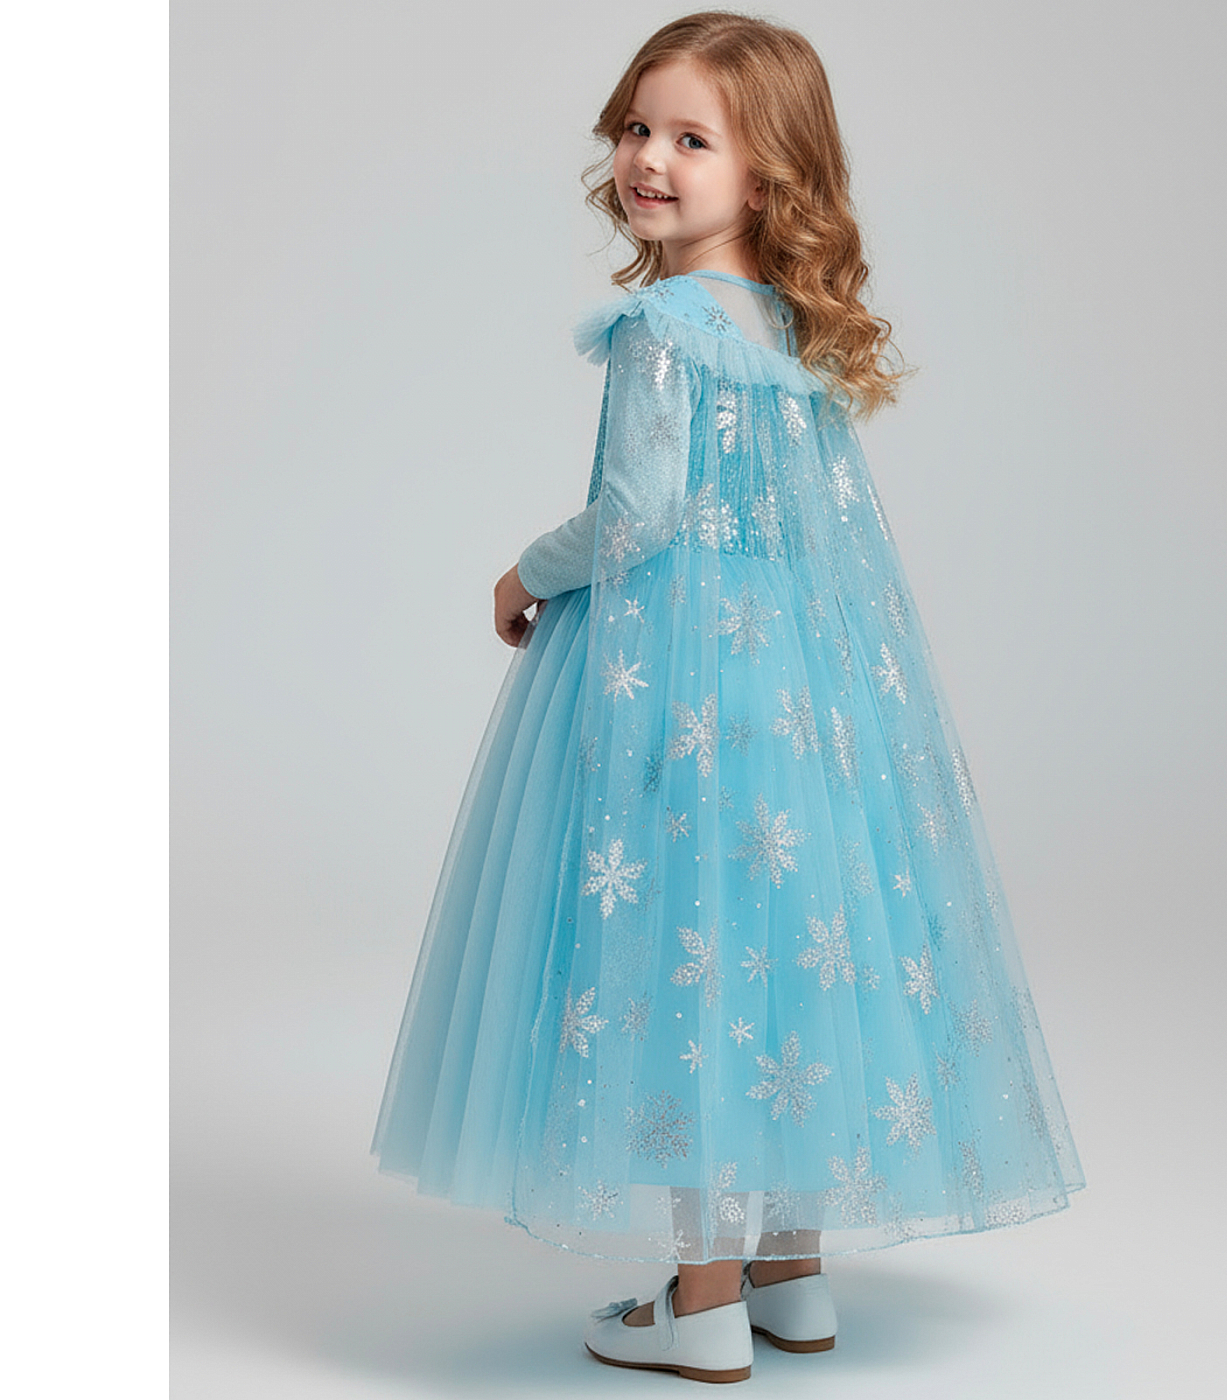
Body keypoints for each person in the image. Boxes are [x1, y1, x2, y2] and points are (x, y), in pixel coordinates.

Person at [372, 10, 1084, 1384]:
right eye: (638, 129)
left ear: (767, 176)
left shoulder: (663, 327)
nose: (650, 159)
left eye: (692, 139)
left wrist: (527, 568)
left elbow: (639, 516)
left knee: (684, 957)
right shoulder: (788, 328)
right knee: (786, 945)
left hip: (678, 685)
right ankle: (791, 1276)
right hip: (800, 691)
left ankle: (700, 1303)